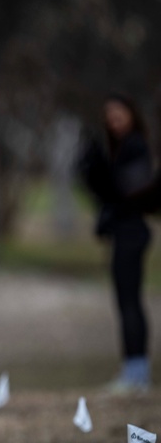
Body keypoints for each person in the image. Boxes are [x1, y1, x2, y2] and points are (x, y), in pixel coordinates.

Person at [78, 93, 156, 393]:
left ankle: (137, 370)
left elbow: (128, 193)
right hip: (123, 232)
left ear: (132, 115)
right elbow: (110, 192)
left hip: (132, 233)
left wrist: (101, 176)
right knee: (125, 300)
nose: (114, 123)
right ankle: (133, 367)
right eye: (109, 118)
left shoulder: (135, 148)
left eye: (119, 116)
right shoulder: (119, 150)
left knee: (130, 301)